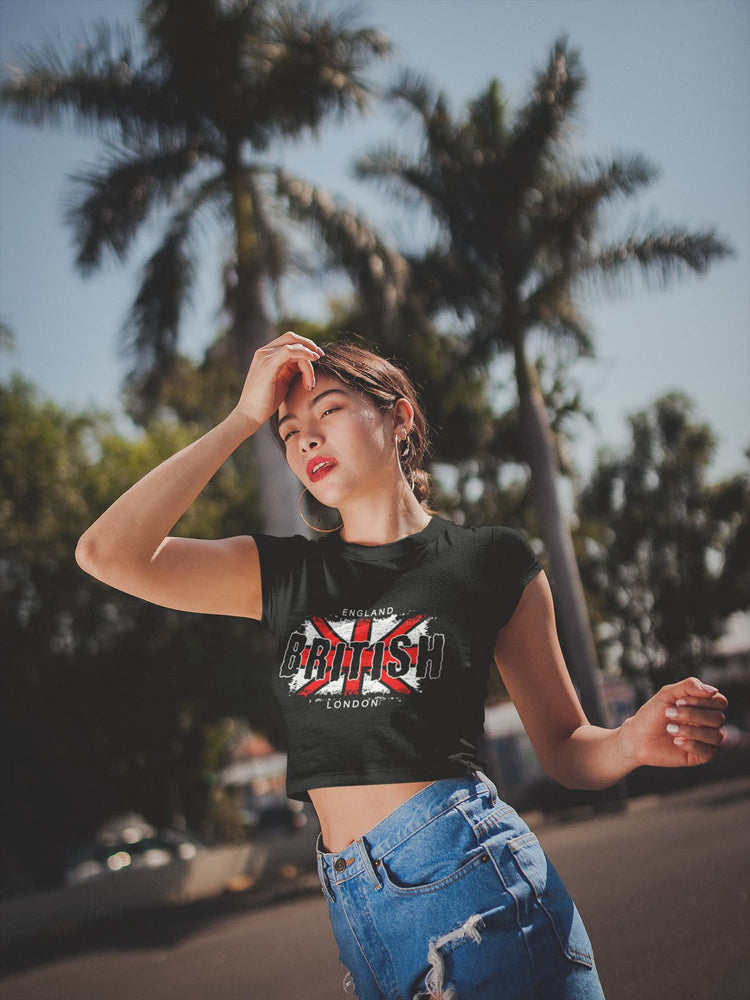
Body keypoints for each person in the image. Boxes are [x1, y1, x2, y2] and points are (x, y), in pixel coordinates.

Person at [76, 330, 727, 1000]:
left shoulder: (487, 560)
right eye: (289, 429)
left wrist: (628, 741)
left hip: (474, 889)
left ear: (398, 416)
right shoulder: (285, 576)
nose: (305, 439)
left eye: (328, 411)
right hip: (359, 914)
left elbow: (563, 747)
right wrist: (242, 418)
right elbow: (105, 553)